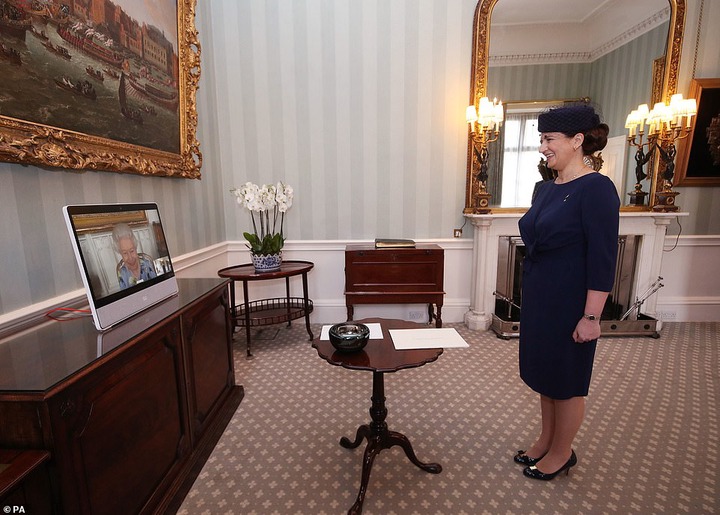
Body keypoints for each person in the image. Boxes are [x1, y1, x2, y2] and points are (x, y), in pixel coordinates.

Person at [515, 104, 619, 480]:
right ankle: (545, 440)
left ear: (577, 141)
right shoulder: (545, 187)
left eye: (550, 139)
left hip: (571, 299)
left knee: (567, 380)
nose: (543, 146)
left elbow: (603, 258)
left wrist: (592, 317)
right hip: (542, 296)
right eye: (541, 139)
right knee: (545, 375)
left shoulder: (597, 189)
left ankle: (562, 452)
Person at [111, 223, 157, 289]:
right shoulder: (122, 273)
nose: (130, 257)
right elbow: (125, 297)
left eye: (132, 251)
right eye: (125, 253)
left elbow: (157, 287)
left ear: (136, 248)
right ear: (120, 253)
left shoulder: (147, 264)